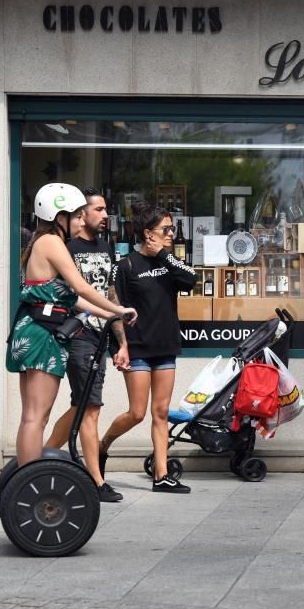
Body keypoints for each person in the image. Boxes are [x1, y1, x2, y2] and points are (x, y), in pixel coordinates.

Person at [6, 183, 137, 469]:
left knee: (33, 415)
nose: (81, 220)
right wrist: (118, 308)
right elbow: (80, 286)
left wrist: (113, 314)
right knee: (35, 417)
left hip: (35, 330)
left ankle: (25, 476)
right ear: (58, 216)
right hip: (41, 336)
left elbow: (73, 298)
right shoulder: (51, 243)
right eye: (76, 215)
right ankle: (28, 479)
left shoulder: (43, 243)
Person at [100, 203, 198, 493]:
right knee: (137, 412)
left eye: (171, 228)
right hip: (138, 347)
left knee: (162, 412)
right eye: (165, 229)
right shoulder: (126, 265)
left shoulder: (169, 262)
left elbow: (191, 279)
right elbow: (117, 308)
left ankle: (162, 475)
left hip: (165, 345)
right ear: (147, 233)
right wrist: (122, 346)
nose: (171, 233)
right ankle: (103, 445)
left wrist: (164, 255)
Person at [43, 189, 128, 503]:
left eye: (106, 209)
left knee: (83, 406)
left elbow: (110, 294)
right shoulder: (64, 247)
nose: (105, 215)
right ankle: (95, 479)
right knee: (90, 408)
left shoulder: (106, 247)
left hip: (101, 335)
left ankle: (47, 455)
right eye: (99, 209)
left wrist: (122, 343)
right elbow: (67, 293)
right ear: (81, 212)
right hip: (77, 334)